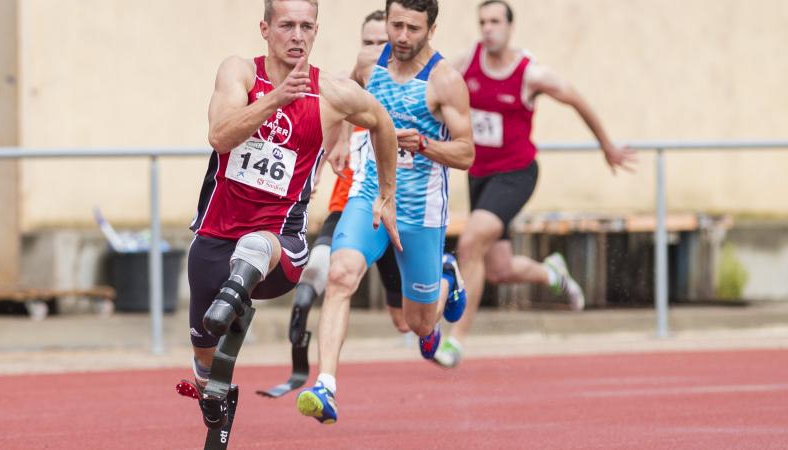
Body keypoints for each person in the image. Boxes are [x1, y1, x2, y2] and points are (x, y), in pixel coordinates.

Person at [180, 0, 401, 432]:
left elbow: (382, 122)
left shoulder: (332, 92)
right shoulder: (240, 73)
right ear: (265, 29)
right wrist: (276, 99)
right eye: (286, 25)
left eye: (306, 26)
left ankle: (236, 296)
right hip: (213, 236)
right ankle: (215, 390)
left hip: (281, 244)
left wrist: (387, 192)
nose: (297, 35)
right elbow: (219, 136)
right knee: (205, 363)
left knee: (256, 244)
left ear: (316, 31)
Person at [296, 0, 474, 425]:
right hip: (370, 197)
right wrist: (337, 141)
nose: (402, 37)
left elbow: (467, 152)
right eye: (396, 25)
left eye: (413, 28)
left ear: (431, 28)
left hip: (420, 214)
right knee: (341, 273)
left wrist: (424, 145)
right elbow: (340, 98)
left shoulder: (445, 81)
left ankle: (446, 279)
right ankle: (325, 386)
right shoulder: (368, 63)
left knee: (417, 325)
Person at [434, 0, 637, 368]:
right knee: (498, 268)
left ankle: (456, 341)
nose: (488, 28)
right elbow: (429, 84)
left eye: (496, 21)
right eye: (483, 21)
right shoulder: (466, 62)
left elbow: (576, 98)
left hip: (516, 173)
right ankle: (553, 273)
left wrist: (606, 146)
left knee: (470, 243)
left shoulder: (530, 74)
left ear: (510, 27)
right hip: (479, 175)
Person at [256, 10, 409, 399]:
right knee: (324, 273)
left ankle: (443, 271)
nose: (375, 51)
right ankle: (310, 370)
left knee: (406, 322)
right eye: (368, 43)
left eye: (383, 44)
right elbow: (317, 128)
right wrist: (323, 162)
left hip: (400, 211)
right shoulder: (338, 88)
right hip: (352, 210)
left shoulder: (413, 90)